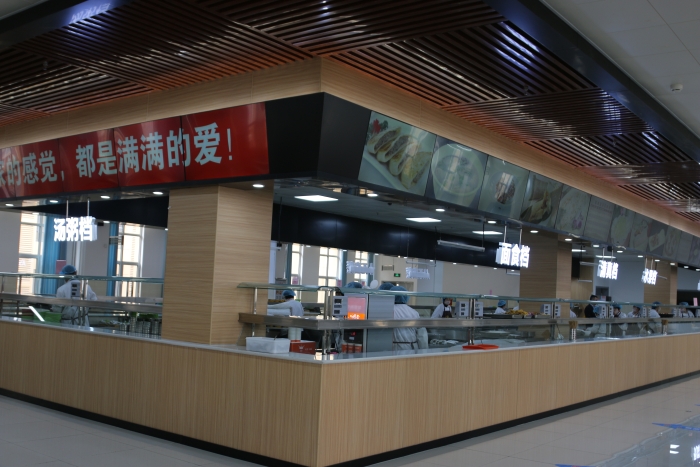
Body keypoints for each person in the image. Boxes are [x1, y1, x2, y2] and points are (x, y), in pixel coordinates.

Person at [390, 286, 428, 350]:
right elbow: (422, 335)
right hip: (411, 347)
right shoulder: (414, 312)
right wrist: (424, 351)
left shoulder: (389, 311)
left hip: (393, 348)